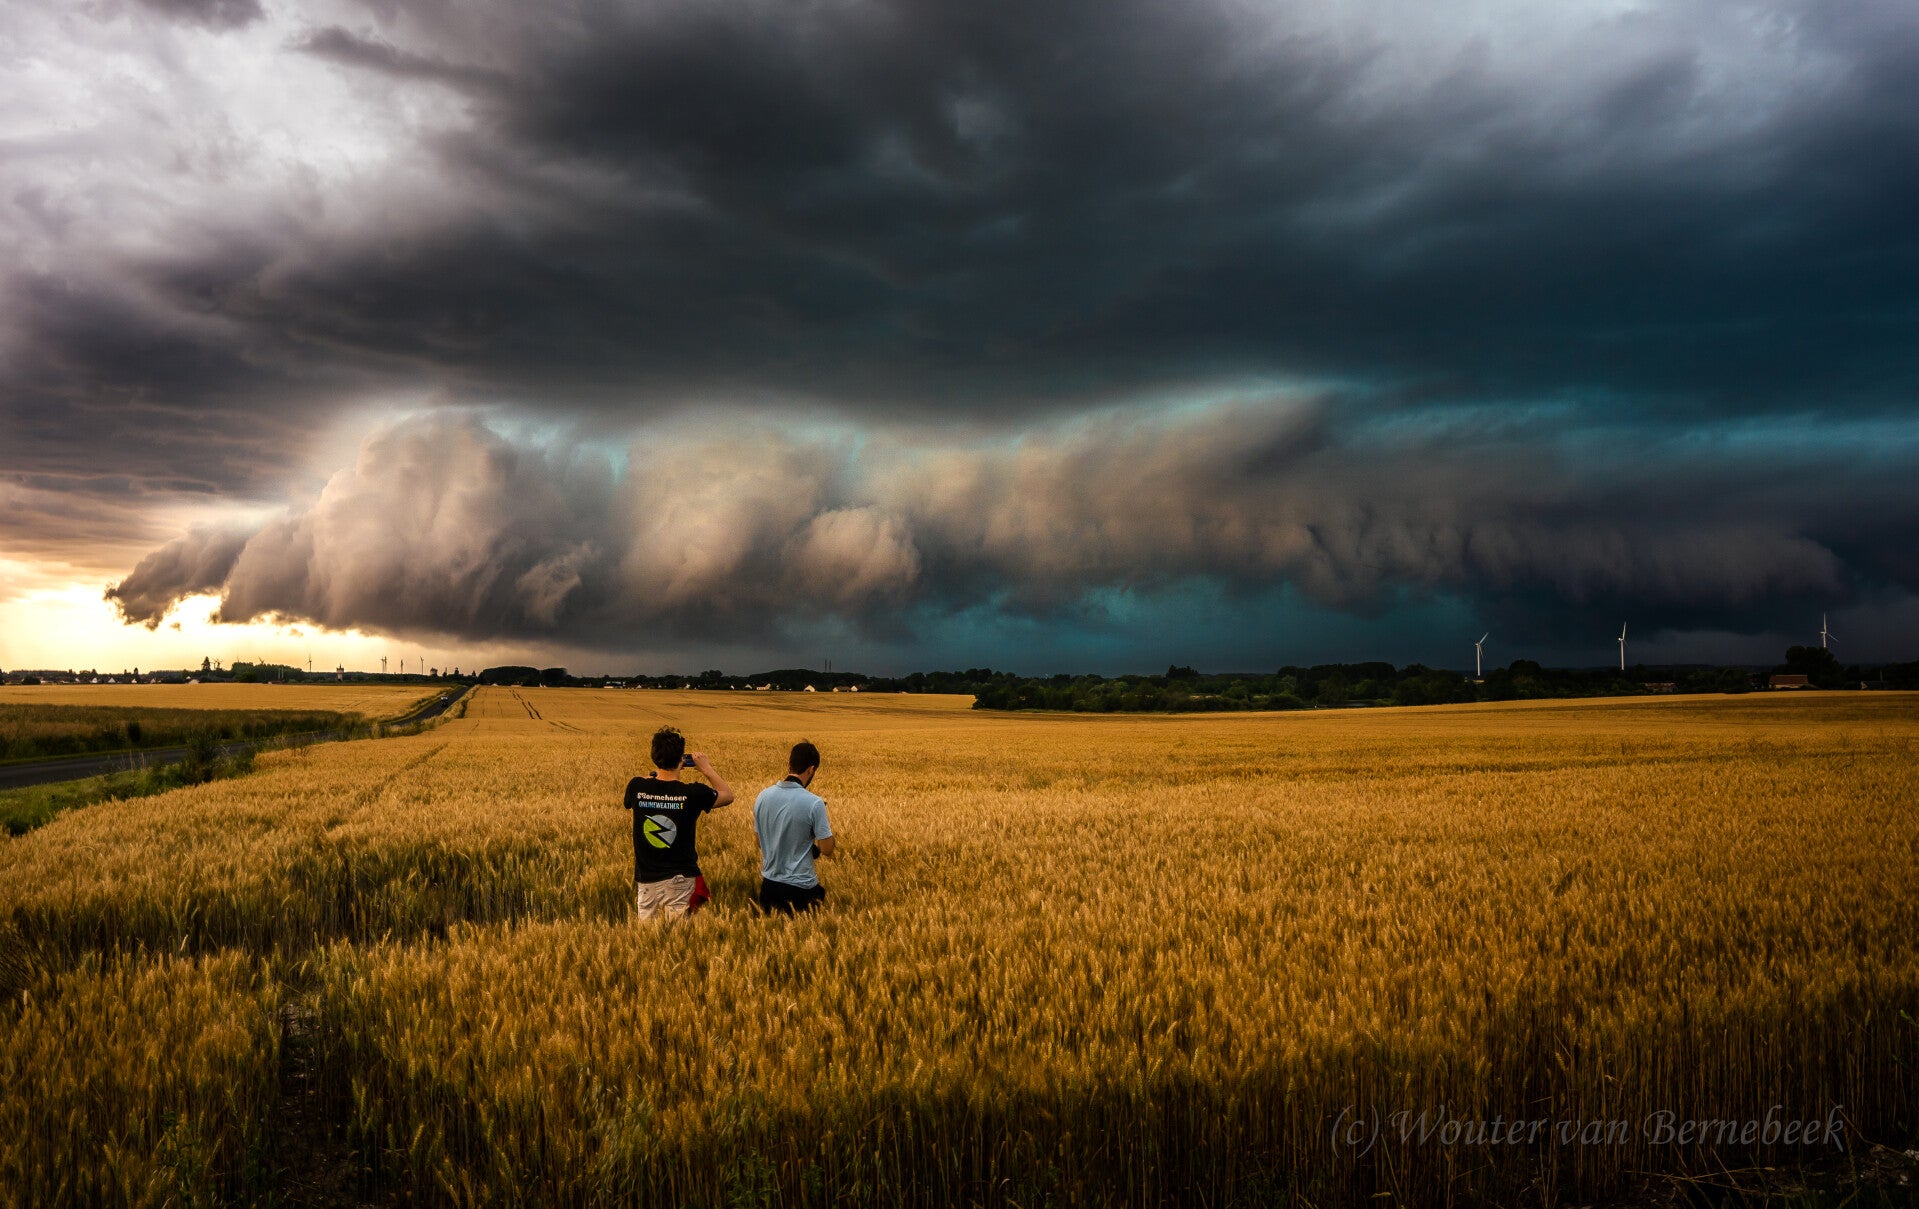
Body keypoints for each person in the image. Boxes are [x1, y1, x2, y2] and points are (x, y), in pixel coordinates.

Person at [624, 726, 733, 921]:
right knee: (678, 941)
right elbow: (727, 795)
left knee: (650, 943)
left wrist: (652, 779)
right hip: (680, 881)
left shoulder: (636, 786)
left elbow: (632, 797)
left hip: (646, 882)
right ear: (682, 759)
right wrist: (706, 769)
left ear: (654, 756)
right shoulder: (693, 793)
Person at [753, 740, 835, 914]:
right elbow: (827, 849)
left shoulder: (763, 796)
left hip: (768, 888)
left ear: (788, 765)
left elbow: (759, 842)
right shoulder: (815, 803)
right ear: (811, 769)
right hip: (802, 892)